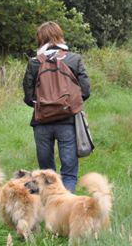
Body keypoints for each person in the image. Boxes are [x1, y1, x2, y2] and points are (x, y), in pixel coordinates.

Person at [22, 21, 91, 192]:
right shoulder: (74, 59)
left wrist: (46, 105)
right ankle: (66, 205)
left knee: (46, 174)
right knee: (69, 173)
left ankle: (49, 205)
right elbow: (85, 91)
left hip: (41, 122)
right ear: (59, 36)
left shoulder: (34, 62)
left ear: (40, 39)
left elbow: (29, 97)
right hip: (67, 121)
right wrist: (67, 105)